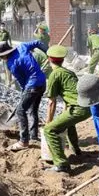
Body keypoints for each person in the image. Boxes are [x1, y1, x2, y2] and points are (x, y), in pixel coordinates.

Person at [0, 40, 46, 151]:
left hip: (32, 85)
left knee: (20, 111)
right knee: (32, 110)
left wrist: (24, 93)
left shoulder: (11, 64)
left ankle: (23, 141)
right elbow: (37, 42)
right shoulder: (22, 46)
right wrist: (47, 52)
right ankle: (33, 136)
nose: (0, 58)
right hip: (42, 82)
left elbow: (22, 82)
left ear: (5, 54)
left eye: (0, 56)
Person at [42, 45, 87, 174]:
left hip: (78, 108)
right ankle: (76, 150)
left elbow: (52, 102)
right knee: (68, 123)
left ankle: (61, 164)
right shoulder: (69, 73)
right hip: (86, 106)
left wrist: (48, 122)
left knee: (49, 130)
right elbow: (71, 95)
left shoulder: (54, 75)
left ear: (49, 59)